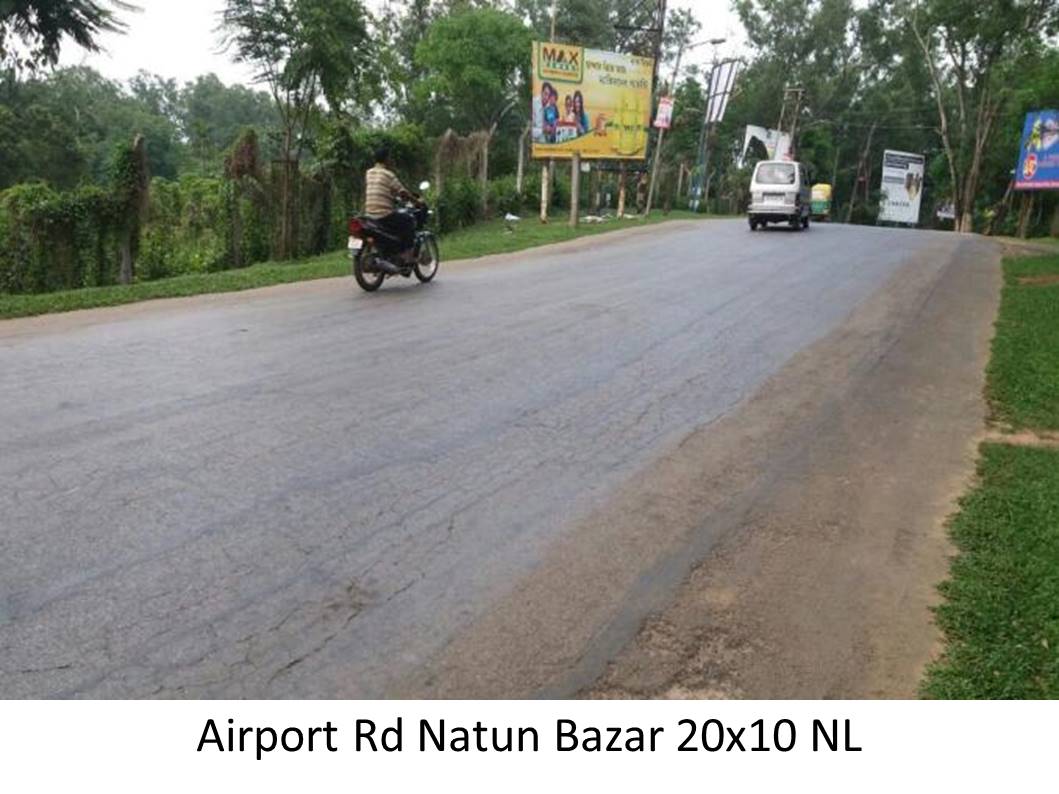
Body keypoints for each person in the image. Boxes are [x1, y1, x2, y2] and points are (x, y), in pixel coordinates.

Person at [364, 145, 416, 272]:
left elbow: (379, 189)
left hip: (369, 214)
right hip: (383, 214)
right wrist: (416, 201)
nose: (391, 160)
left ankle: (390, 254)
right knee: (409, 220)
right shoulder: (388, 174)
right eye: (390, 158)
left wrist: (391, 196)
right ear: (387, 159)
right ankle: (407, 256)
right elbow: (402, 192)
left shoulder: (369, 173)